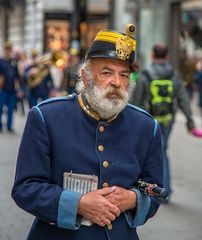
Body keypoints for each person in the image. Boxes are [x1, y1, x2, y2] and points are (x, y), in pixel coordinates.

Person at [12, 24, 164, 240]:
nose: (117, 83)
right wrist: (78, 204)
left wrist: (133, 199)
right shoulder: (46, 117)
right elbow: (25, 188)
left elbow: (156, 189)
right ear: (85, 76)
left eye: (124, 75)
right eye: (107, 73)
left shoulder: (146, 126)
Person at [130, 43, 196, 199]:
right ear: (167, 56)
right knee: (162, 151)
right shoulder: (173, 74)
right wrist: (190, 122)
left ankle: (159, 189)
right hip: (167, 119)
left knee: (152, 152)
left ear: (153, 55)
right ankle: (165, 189)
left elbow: (137, 99)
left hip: (149, 120)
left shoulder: (146, 73)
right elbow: (183, 99)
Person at [0, 41, 22, 133]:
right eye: (7, 49)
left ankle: (9, 126)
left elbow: (17, 77)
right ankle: (0, 126)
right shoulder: (0, 61)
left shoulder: (14, 62)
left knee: (10, 109)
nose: (9, 51)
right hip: (2, 89)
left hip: (12, 89)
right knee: (0, 108)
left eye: (10, 49)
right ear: (5, 50)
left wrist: (19, 89)